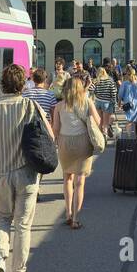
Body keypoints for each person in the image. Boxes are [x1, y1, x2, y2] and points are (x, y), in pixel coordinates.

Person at [0, 63, 53, 272]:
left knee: (2, 218)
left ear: (2, 84)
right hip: (26, 172)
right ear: (23, 84)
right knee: (23, 224)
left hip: (0, 171)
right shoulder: (29, 105)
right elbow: (49, 134)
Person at [53, 75, 98, 229]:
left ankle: (67, 213)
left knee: (67, 178)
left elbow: (55, 129)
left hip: (65, 142)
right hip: (83, 142)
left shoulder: (59, 106)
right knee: (80, 181)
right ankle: (76, 218)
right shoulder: (87, 102)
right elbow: (98, 122)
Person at [92, 66, 119, 137]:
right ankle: (105, 135)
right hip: (106, 103)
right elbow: (113, 92)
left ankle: (100, 135)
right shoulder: (110, 80)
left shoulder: (96, 80)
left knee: (100, 121)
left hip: (97, 102)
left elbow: (91, 89)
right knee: (105, 123)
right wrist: (114, 102)